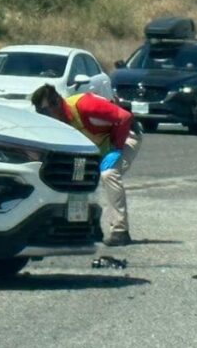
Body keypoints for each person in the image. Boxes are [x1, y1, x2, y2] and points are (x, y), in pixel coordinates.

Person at [31, 84, 141, 247]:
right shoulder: (60, 122)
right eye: (40, 113)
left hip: (125, 136)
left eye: (45, 112)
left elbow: (124, 117)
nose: (44, 116)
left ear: (57, 103)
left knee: (109, 173)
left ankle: (120, 231)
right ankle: (89, 227)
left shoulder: (84, 104)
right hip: (99, 145)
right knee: (78, 178)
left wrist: (117, 148)